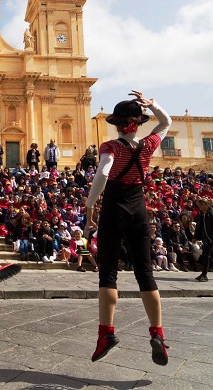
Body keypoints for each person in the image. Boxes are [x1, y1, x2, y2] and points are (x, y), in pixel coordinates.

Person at [85, 90, 172, 366]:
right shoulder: (147, 146)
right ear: (136, 123)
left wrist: (89, 209)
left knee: (108, 272)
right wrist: (153, 105)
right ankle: (157, 332)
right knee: (145, 273)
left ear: (118, 125)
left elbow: (103, 173)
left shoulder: (111, 147)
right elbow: (166, 122)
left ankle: (106, 334)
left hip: (115, 206)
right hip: (139, 207)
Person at [194, 198, 213, 282]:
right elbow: (199, 226)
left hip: (211, 238)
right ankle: (203, 274)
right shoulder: (201, 214)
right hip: (206, 238)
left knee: (206, 255)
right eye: (199, 204)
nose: (200, 206)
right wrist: (196, 237)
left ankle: (204, 274)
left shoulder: (211, 214)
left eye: (202, 204)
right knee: (206, 255)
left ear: (207, 204)